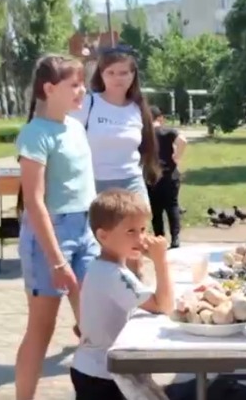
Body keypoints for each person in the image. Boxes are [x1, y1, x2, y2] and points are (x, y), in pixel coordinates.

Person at [13, 55, 99, 400]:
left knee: (95, 325)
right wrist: (57, 261)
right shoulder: (35, 134)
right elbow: (34, 202)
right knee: (42, 329)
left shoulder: (76, 127)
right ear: (49, 89)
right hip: (51, 237)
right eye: (73, 85)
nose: (82, 91)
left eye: (82, 83)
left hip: (87, 230)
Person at [70, 189, 174, 400]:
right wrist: (161, 261)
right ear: (103, 236)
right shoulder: (113, 274)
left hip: (93, 369)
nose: (141, 238)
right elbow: (163, 305)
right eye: (131, 232)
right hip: (103, 375)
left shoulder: (105, 266)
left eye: (143, 229)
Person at [72, 47, 161, 202]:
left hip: (132, 183)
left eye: (123, 73)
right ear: (101, 74)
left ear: (133, 75)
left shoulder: (137, 107)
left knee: (138, 226)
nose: (117, 78)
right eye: (110, 73)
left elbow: (147, 146)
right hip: (93, 184)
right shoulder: (88, 103)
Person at [147, 106, 187, 248]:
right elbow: (182, 140)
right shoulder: (168, 131)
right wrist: (176, 157)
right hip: (170, 174)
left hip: (152, 175)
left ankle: (159, 239)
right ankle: (175, 238)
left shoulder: (144, 134)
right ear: (160, 118)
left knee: (156, 209)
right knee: (172, 206)